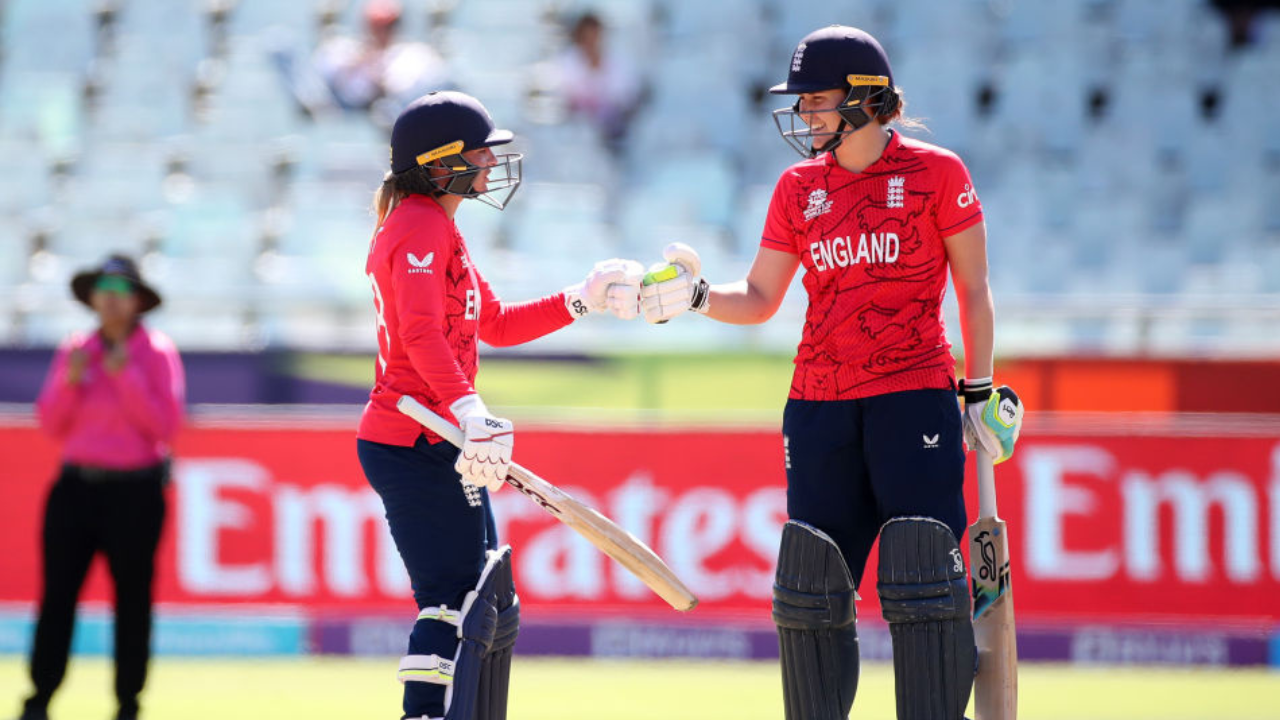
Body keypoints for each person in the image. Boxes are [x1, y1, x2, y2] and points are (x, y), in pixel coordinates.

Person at [638, 26, 1024, 720]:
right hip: (818, 404)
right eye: (803, 101)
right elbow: (759, 299)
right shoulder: (796, 189)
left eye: (816, 100)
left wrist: (980, 389)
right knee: (810, 588)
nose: (805, 114)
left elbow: (974, 290)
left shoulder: (939, 174)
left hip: (913, 396)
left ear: (866, 100)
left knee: (922, 575)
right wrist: (695, 297)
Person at [356, 90, 641, 720]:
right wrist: (469, 409)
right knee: (451, 597)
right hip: (414, 437)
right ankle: (424, 713)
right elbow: (419, 335)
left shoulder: (439, 226)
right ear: (438, 163)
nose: (491, 161)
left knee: (475, 592)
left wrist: (582, 298)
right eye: (479, 150)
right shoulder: (420, 224)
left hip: (438, 436)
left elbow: (500, 324)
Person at [19, 255, 184, 720]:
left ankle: (127, 704)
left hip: (135, 494)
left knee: (132, 601)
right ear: (91, 297)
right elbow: (51, 424)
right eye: (103, 287)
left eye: (120, 288)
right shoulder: (74, 351)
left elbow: (165, 427)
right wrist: (71, 381)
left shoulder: (155, 352)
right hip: (75, 491)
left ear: (137, 301)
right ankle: (39, 700)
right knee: (57, 598)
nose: (110, 297)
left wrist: (123, 373)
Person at [546, 11, 644, 151]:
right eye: (587, 36)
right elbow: (565, 96)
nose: (592, 41)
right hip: (576, 130)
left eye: (595, 35)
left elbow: (625, 97)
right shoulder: (566, 62)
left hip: (612, 130)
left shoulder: (619, 62)